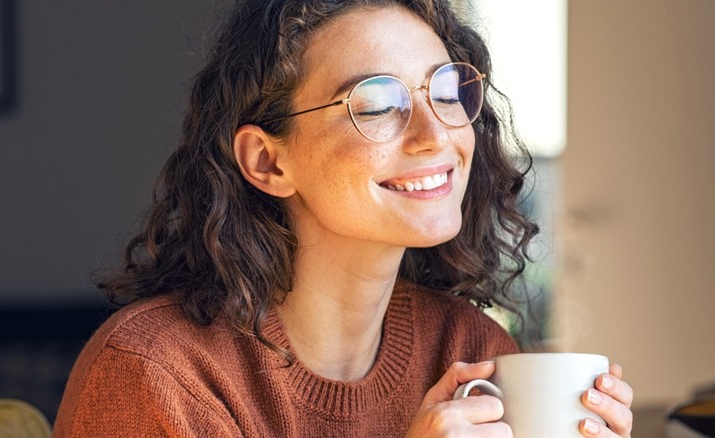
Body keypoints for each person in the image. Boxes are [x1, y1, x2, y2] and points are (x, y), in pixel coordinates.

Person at [52, 0, 633, 436]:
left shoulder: (468, 349)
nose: (436, 135)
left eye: (445, 91)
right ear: (268, 161)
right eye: (377, 105)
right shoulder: (158, 375)